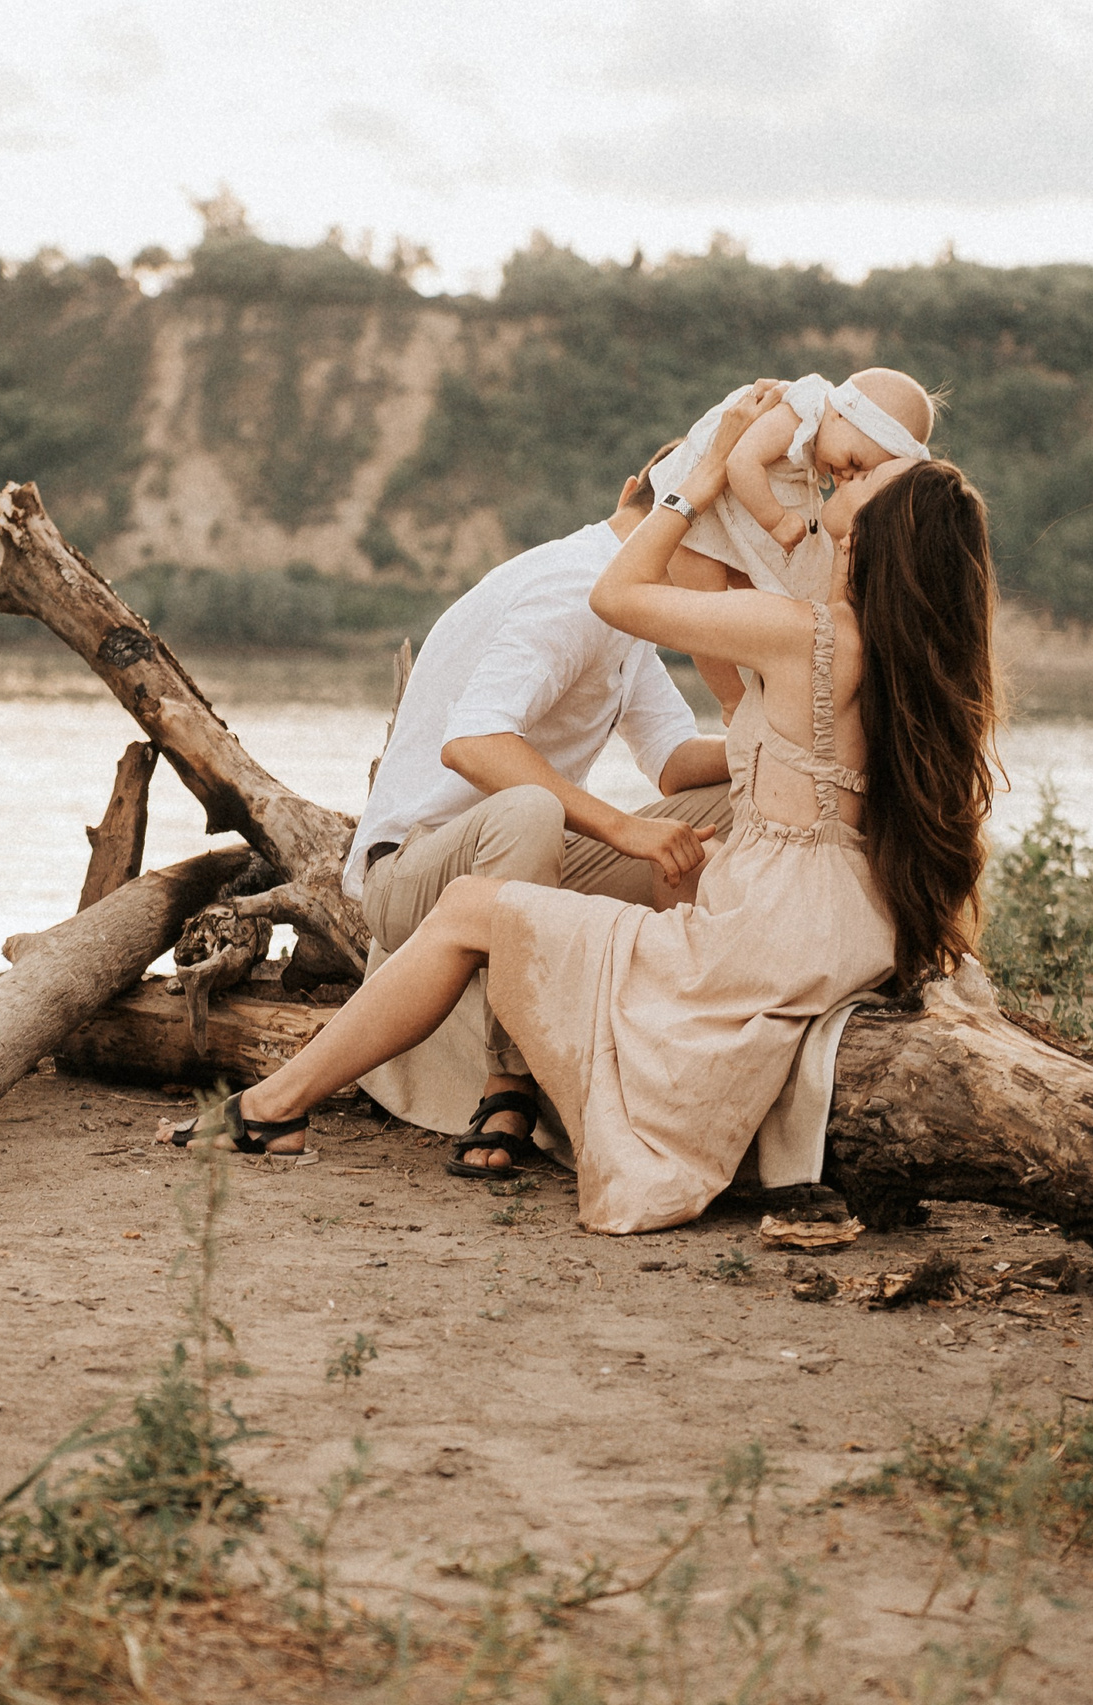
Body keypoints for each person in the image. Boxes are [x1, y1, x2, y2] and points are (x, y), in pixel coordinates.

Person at [161, 380, 1003, 1240]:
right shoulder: (905, 653)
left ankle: (282, 1104)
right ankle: (495, 1065)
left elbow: (623, 596)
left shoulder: (801, 632)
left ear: (872, 543)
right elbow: (722, 747)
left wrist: (698, 487)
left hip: (767, 929)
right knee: (555, 829)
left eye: (846, 493)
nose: (822, 507)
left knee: (475, 907)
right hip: (837, 919)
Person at [339, 439, 735, 1178]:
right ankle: (508, 1079)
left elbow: (678, 762)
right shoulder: (570, 585)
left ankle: (730, 1002)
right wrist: (624, 828)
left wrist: (783, 744)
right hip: (411, 876)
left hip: (517, 859)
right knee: (527, 809)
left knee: (743, 790)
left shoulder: (624, 608)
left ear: (628, 491)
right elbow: (473, 743)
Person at [647, 367, 937, 716]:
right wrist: (777, 520)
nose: (845, 475)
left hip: (732, 507)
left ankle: (773, 691)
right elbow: (741, 462)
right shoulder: (798, 411)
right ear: (840, 414)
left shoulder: (821, 430)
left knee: (766, 597)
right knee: (702, 620)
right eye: (853, 462)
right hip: (698, 514)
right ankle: (731, 701)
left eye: (860, 475)